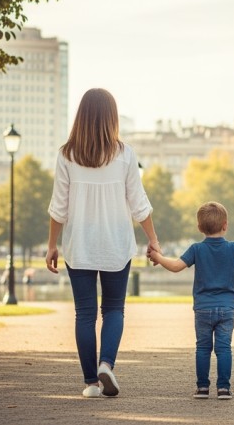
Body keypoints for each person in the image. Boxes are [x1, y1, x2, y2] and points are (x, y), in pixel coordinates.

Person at [45, 88, 160, 399]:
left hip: (79, 245)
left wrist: (52, 245)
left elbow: (59, 207)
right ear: (112, 117)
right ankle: (106, 363)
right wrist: (153, 241)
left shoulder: (66, 155)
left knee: (84, 313)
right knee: (113, 310)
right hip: (116, 244)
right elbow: (139, 204)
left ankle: (91, 384)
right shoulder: (125, 155)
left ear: (80, 116)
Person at [148, 201, 234, 400]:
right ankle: (224, 388)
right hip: (227, 309)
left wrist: (158, 256)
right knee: (224, 348)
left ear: (199, 227)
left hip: (202, 308)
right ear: (225, 225)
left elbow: (175, 266)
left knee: (202, 348)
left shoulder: (196, 249)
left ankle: (202, 388)